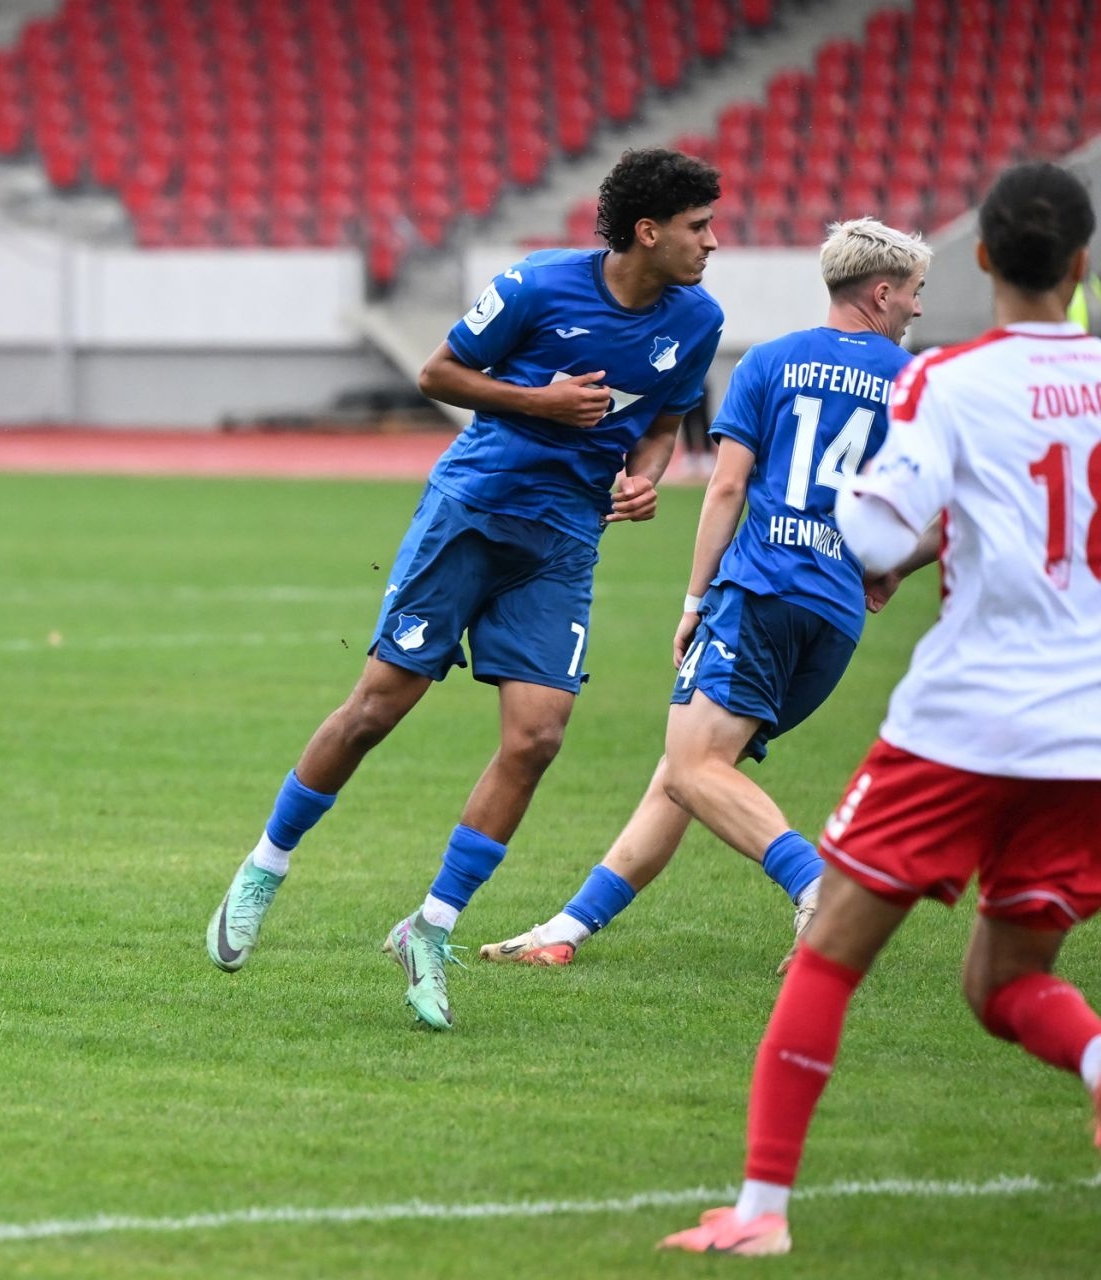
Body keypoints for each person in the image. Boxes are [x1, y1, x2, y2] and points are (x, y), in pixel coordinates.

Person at [661, 161, 1101, 1257]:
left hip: (965, 718)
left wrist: (899, 524)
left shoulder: (946, 379)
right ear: (1082, 264)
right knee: (1006, 982)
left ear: (984, 259)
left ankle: (761, 1214)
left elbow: (869, 535)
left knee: (830, 956)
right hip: (1086, 730)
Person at [205, 148, 725, 1030]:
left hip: (563, 543)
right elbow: (437, 375)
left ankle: (431, 928)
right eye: (698, 226)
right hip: (471, 516)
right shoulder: (538, 286)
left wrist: (644, 477)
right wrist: (540, 402)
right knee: (376, 709)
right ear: (648, 231)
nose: (712, 242)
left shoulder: (698, 320)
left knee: (538, 738)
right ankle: (264, 867)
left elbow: (663, 425)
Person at [479, 218, 933, 974]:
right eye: (916, 291)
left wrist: (694, 602)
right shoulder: (919, 386)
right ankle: (566, 930)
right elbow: (951, 514)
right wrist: (891, 570)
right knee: (686, 772)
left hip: (760, 591)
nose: (918, 307)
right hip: (834, 614)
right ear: (882, 293)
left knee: (694, 769)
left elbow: (726, 488)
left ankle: (818, 886)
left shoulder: (771, 361)